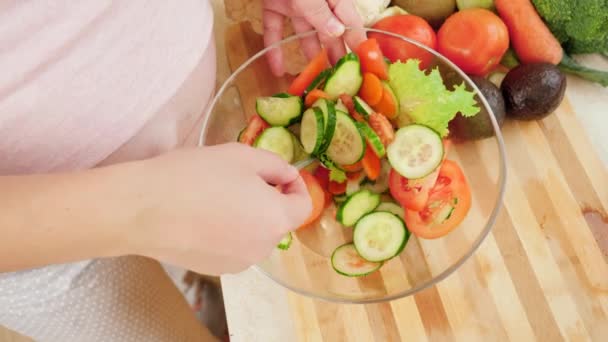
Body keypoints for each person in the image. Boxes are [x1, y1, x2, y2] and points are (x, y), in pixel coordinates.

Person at [0, 0, 365, 341]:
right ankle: (194, 292)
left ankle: (196, 285)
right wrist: (143, 212)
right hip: (47, 246)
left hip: (198, 104)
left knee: (224, 276)